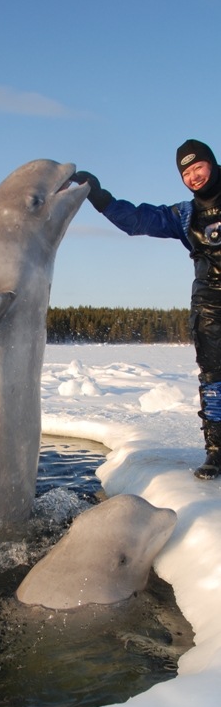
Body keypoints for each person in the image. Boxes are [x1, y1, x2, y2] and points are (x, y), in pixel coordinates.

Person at [73, 139, 221, 480]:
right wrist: (98, 197)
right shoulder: (185, 216)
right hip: (210, 306)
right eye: (187, 172)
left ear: (212, 164)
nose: (194, 176)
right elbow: (138, 219)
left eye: (199, 167)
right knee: (214, 381)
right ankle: (216, 453)